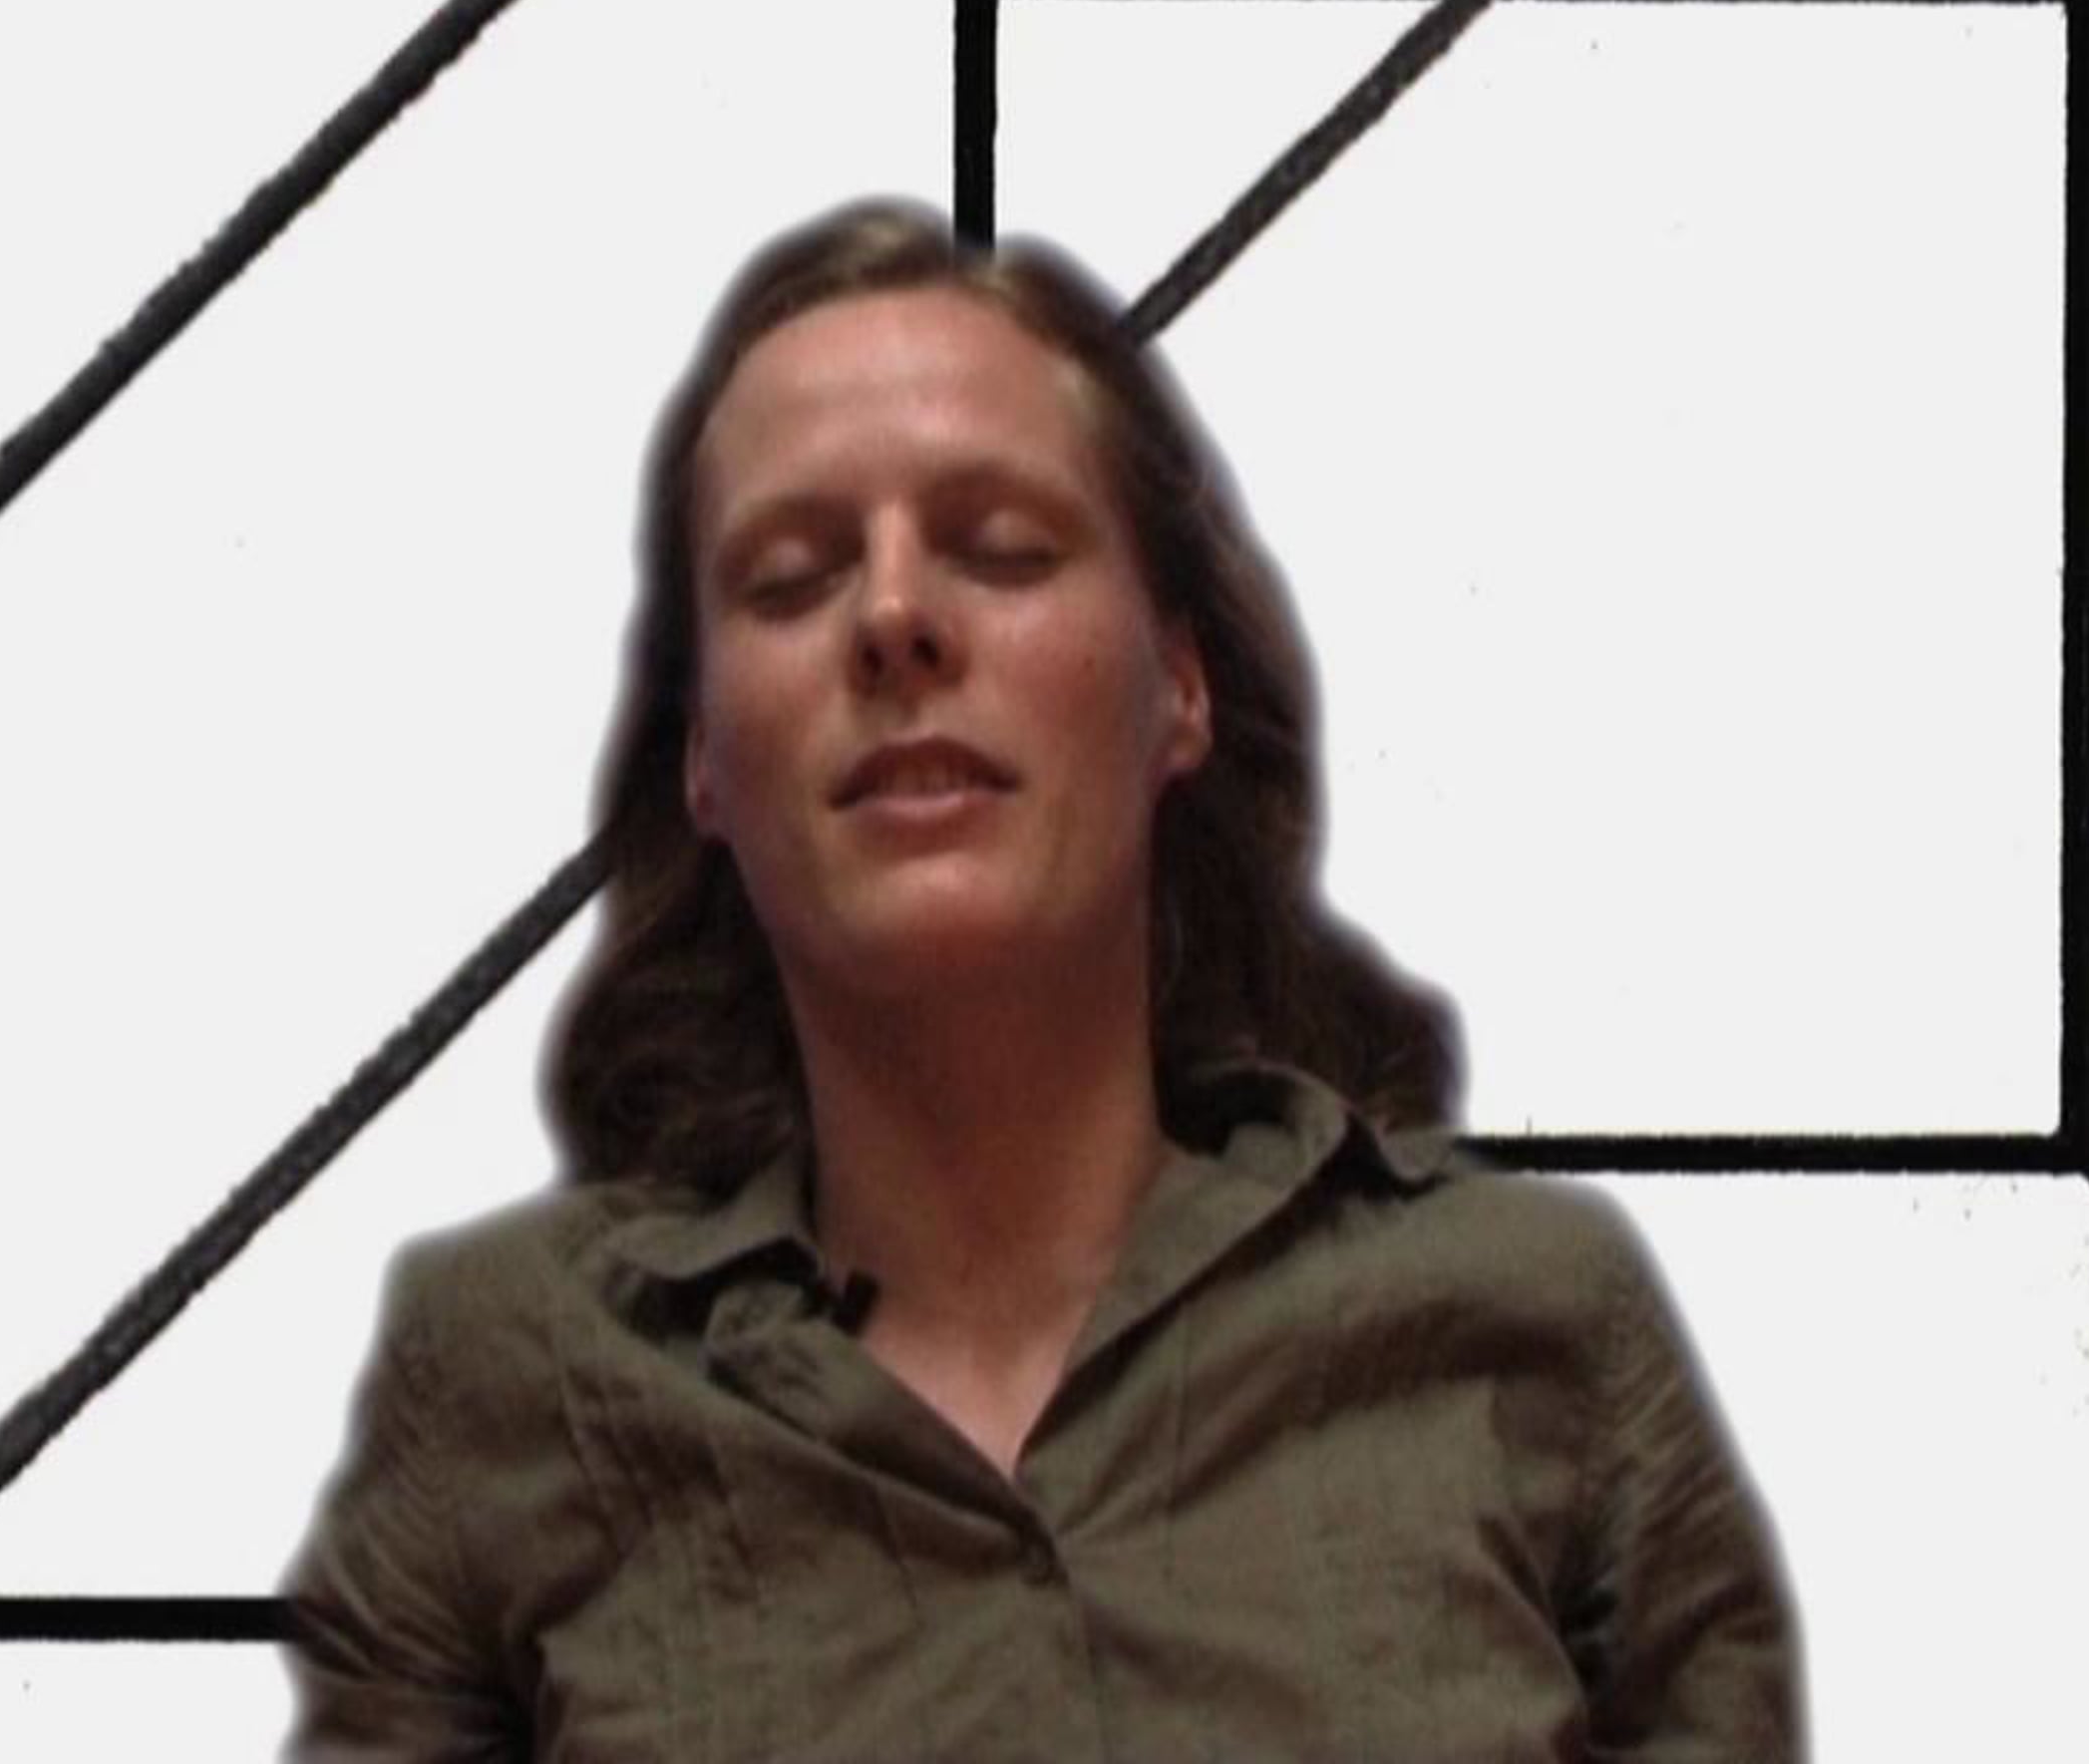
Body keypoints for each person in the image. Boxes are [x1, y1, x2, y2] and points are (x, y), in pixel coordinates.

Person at [283, 199, 1802, 1759]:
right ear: (704, 764)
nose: (893, 619)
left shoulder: (1535, 1322)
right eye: (791, 580)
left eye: (1002, 550)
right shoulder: (503, 1391)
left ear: (1181, 688)